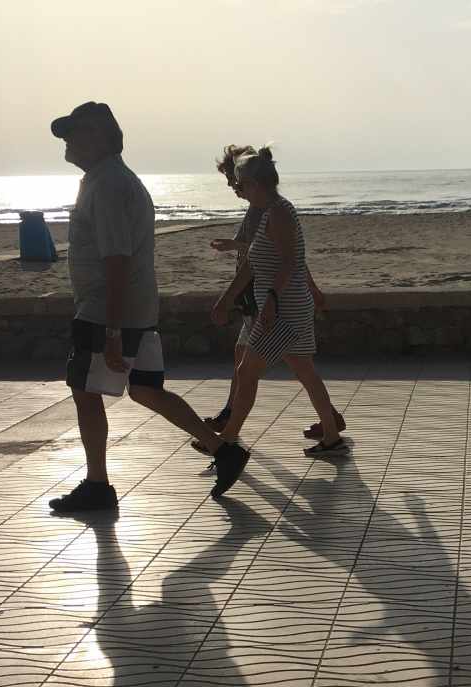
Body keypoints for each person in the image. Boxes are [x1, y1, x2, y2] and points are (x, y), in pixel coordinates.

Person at [44, 100, 227, 514]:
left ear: (102, 138)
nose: (67, 142)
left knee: (85, 392)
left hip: (108, 310)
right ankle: (223, 449)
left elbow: (117, 259)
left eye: (75, 132)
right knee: (145, 389)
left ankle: (97, 485)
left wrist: (109, 330)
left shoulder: (108, 184)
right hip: (136, 307)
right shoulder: (110, 179)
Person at [206, 147, 345, 497]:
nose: (238, 189)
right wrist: (225, 299)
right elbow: (254, 264)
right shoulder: (270, 213)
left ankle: (227, 443)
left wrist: (270, 299)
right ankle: (331, 437)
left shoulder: (279, 213)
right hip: (281, 306)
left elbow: (289, 263)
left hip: (283, 309)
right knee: (304, 371)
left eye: (240, 183)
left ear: (254, 183)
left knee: (247, 370)